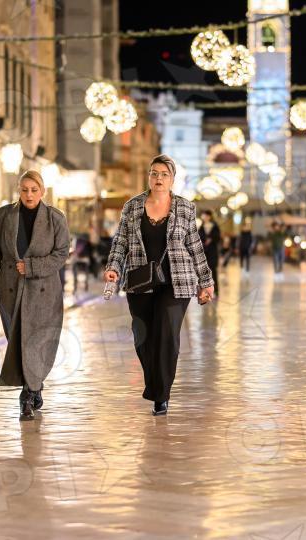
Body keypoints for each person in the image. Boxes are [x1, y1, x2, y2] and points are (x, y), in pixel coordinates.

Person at [103, 154, 215, 416]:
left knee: (166, 335)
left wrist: (206, 282)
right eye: (154, 173)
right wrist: (113, 267)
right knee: (143, 337)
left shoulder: (185, 208)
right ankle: (155, 384)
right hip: (140, 281)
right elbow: (120, 241)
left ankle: (161, 395)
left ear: (172, 179)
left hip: (177, 282)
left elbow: (195, 246)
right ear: (149, 177)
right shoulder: (132, 207)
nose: (158, 178)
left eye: (164, 174)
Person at [0, 170, 70, 421]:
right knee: (19, 343)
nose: (29, 195)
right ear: (18, 190)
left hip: (44, 293)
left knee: (37, 343)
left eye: (34, 190)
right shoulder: (3, 216)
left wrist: (32, 267)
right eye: (24, 190)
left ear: (43, 192)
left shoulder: (55, 218)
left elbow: (62, 253)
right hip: (10, 291)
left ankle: (27, 395)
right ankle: (33, 387)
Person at [198, 209, 221, 295]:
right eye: (204, 215)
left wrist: (211, 239)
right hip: (204, 252)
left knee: (213, 271)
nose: (205, 217)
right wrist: (204, 241)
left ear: (210, 216)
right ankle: (205, 290)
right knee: (204, 272)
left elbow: (218, 237)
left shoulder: (215, 226)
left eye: (206, 215)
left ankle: (216, 290)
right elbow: (198, 237)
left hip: (212, 252)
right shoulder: (202, 226)